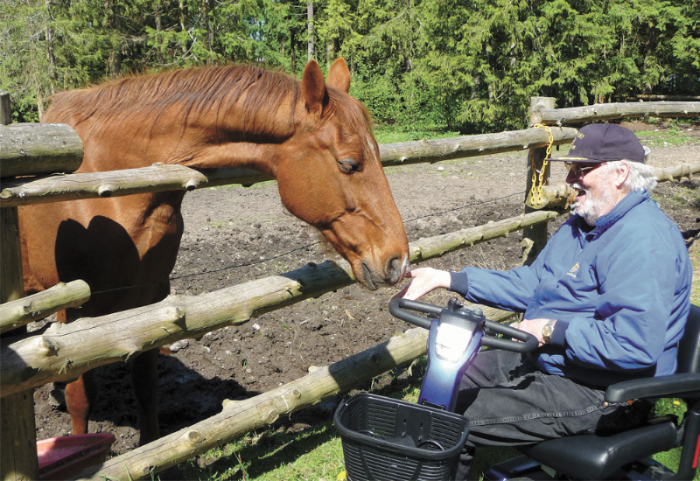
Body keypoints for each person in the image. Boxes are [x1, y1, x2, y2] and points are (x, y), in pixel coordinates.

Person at [396, 123, 693, 479]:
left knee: (452, 418)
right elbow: (534, 283)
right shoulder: (582, 224)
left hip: (605, 391)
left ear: (621, 173)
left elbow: (633, 343)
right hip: (553, 362)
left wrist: (552, 329)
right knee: (444, 383)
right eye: (571, 168)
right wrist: (450, 279)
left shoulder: (643, 242)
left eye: (582, 169)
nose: (570, 179)